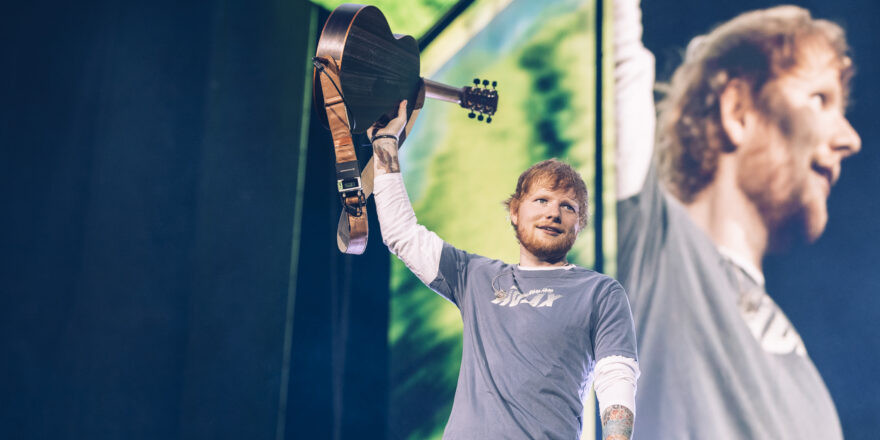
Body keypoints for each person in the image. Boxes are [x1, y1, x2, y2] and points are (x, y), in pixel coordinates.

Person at [614, 1, 861, 438]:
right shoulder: (648, 240)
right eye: (819, 99)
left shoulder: (816, 399)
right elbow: (610, 42)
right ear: (738, 112)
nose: (850, 139)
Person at [370, 101, 639, 439]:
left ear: (579, 224)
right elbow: (402, 235)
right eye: (541, 200)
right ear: (515, 211)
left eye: (567, 207)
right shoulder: (475, 276)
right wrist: (384, 142)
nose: (553, 213)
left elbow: (616, 373)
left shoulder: (600, 292)